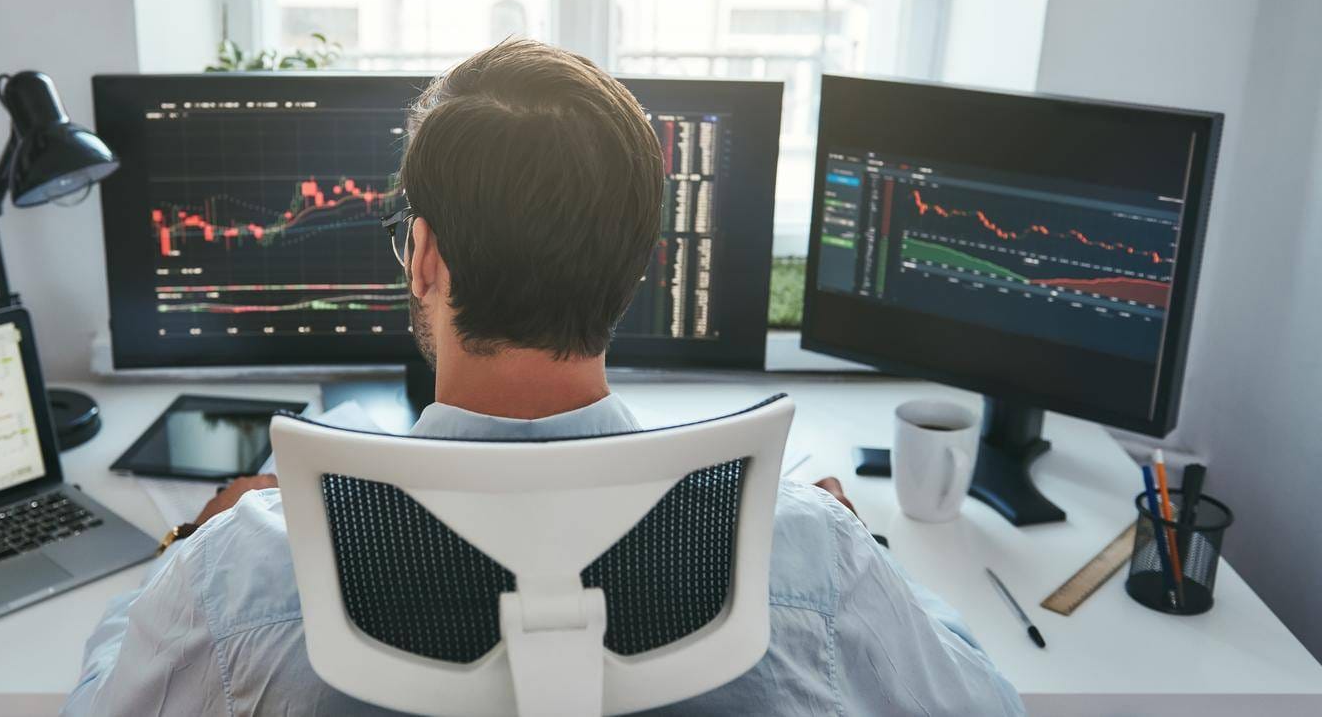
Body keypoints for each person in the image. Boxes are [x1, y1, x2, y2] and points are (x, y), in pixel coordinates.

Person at [63, 40, 1025, 716]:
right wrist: (861, 549)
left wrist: (186, 550)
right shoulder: (805, 551)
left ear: (425, 259)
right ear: (641, 264)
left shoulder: (246, 569)